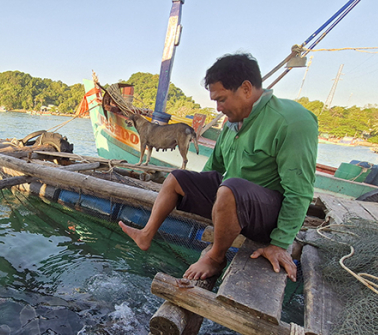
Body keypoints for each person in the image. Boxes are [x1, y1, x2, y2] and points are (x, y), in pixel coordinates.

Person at [120, 53, 318, 282]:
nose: (218, 107)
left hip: (266, 217)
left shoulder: (291, 121)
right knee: (177, 178)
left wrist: (280, 243)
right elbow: (212, 170)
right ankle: (146, 235)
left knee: (229, 188)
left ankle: (215, 258)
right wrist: (196, 192)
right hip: (231, 201)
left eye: (222, 99)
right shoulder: (232, 123)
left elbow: (300, 191)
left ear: (246, 88)